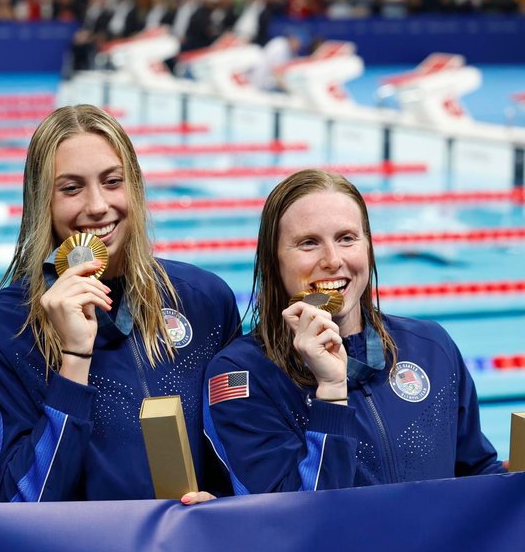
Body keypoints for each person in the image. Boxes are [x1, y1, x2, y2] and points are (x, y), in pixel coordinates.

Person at [0, 104, 241, 503]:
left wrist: (224, 507)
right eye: (71, 188)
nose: (97, 205)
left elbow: (241, 457)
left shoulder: (203, 299)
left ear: (136, 187)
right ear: (43, 203)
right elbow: (21, 503)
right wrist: (74, 359)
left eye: (112, 181)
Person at [204, 169, 506, 494]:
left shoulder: (430, 347)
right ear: (273, 262)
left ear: (368, 248)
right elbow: (293, 520)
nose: (333, 260)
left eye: (347, 238)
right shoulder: (241, 375)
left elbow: (478, 474)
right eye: (308, 243)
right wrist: (332, 393)